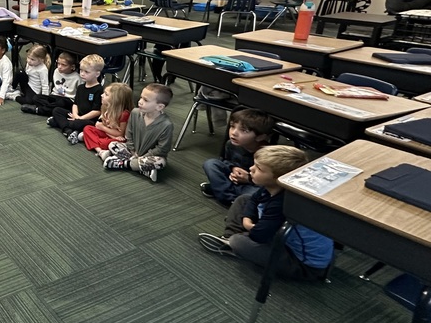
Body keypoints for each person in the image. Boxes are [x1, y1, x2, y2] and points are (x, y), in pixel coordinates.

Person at [198, 146, 333, 280]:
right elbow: (253, 200)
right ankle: (228, 239)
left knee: (238, 242)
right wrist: (247, 219)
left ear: (278, 178)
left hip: (303, 265)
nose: (251, 169)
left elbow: (259, 236)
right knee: (243, 200)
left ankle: (232, 242)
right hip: (279, 237)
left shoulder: (282, 203)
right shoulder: (275, 187)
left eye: (259, 168)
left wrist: (249, 226)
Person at [99, 83, 174, 182]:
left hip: (149, 156)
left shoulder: (166, 125)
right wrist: (133, 150)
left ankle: (124, 164)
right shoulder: (135, 112)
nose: (140, 102)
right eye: (141, 97)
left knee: (160, 162)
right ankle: (143, 169)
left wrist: (144, 156)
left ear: (159, 107)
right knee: (113, 145)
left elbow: (162, 148)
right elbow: (129, 134)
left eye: (145, 100)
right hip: (132, 151)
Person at [201, 108, 274, 207]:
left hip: (251, 185)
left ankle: (222, 190)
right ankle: (230, 198)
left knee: (261, 193)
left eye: (243, 130)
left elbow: (269, 181)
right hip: (233, 178)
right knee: (210, 164)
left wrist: (248, 178)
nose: (234, 133)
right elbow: (225, 161)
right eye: (232, 126)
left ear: (260, 137)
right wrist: (232, 168)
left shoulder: (268, 154)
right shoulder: (231, 144)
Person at [47, 54, 103, 143]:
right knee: (57, 110)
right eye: (81, 70)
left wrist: (80, 118)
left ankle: (62, 124)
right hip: (77, 115)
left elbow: (97, 111)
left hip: (89, 119)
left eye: (86, 72)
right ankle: (68, 130)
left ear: (97, 74)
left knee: (79, 123)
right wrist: (76, 115)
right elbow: (75, 104)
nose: (82, 74)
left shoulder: (99, 89)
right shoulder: (80, 87)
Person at [20, 51, 78, 116]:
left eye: (63, 65)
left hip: (68, 99)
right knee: (36, 98)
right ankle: (51, 110)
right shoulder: (56, 71)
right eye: (58, 63)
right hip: (55, 96)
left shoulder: (77, 78)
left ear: (72, 67)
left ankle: (38, 110)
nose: (59, 67)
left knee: (61, 103)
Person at [81, 82, 134, 152]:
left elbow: (120, 134)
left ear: (115, 100)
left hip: (116, 137)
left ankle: (92, 141)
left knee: (105, 143)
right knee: (87, 128)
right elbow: (103, 125)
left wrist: (102, 128)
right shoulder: (105, 107)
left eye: (106, 94)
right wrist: (103, 127)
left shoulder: (124, 114)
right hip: (108, 133)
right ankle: (100, 151)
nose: (102, 95)